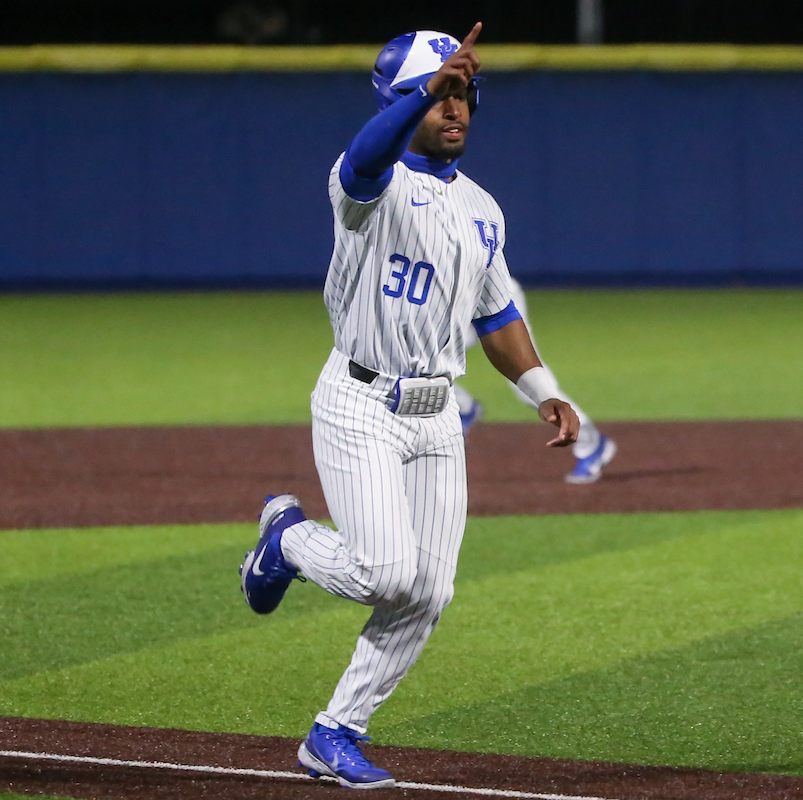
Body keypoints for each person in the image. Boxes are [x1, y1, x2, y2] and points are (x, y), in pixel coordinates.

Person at [238, 23, 578, 789]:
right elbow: (365, 157)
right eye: (440, 94)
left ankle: (333, 732)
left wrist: (544, 390)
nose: (455, 108)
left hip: (434, 417)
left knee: (430, 590)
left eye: (464, 94)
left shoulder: (483, 209)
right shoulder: (366, 184)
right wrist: (423, 86)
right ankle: (286, 540)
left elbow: (496, 317)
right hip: (360, 398)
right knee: (382, 572)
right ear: (405, 100)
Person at [453, 277, 616, 483]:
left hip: (494, 294)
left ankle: (590, 441)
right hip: (452, 298)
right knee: (421, 364)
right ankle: (464, 407)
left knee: (527, 385)